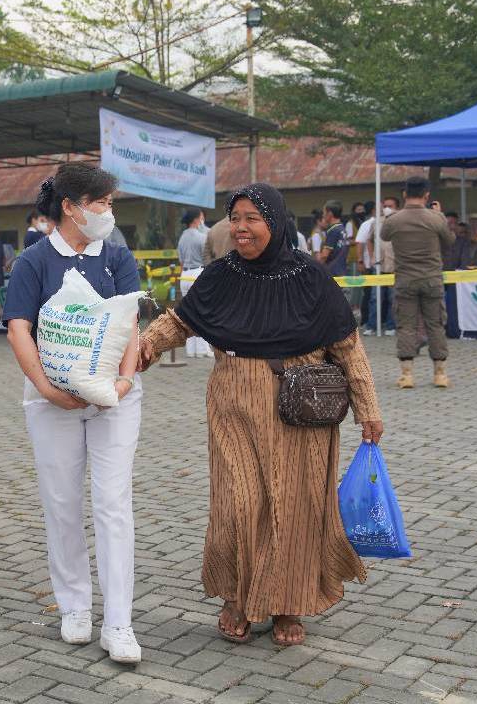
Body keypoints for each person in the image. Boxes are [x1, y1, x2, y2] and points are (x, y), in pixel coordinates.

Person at [139, 182, 383, 648]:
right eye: (236, 218)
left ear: (274, 221)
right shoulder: (221, 274)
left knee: (295, 507)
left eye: (252, 218)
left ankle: (289, 602)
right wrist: (149, 343)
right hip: (234, 404)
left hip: (300, 409)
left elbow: (348, 346)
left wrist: (368, 408)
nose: (241, 228)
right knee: (239, 502)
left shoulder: (309, 276)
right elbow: (182, 320)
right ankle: (236, 596)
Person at [3, 162, 144, 665]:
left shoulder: (118, 256)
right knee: (62, 504)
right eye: (102, 203)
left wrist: (123, 383)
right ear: (71, 206)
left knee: (112, 504)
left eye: (110, 204)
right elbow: (20, 328)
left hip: (116, 403)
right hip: (51, 403)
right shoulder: (34, 261)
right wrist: (46, 389)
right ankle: (75, 608)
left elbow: (129, 322)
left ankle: (120, 623)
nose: (108, 212)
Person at [380, 177, 454, 389]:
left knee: (406, 326)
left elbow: (384, 236)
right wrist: (439, 214)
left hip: (405, 280)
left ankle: (407, 375)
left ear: (405, 194)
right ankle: (440, 374)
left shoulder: (394, 219)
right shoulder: (435, 218)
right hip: (432, 279)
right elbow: (449, 241)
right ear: (427, 195)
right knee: (436, 324)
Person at [177, 209, 212, 359]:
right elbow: (207, 258)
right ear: (197, 220)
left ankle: (191, 350)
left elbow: (181, 260)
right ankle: (203, 349)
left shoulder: (182, 238)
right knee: (202, 312)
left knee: (188, 313)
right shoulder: (201, 237)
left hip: (184, 276)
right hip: (197, 273)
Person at [363, 196, 398, 335]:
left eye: (391, 205)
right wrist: (372, 256)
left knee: (393, 298)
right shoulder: (377, 222)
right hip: (378, 265)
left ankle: (391, 326)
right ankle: (371, 326)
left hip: (395, 265)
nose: (387, 208)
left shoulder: (400, 222)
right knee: (375, 298)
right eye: (385, 205)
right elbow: (369, 240)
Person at [316, 201, 350, 277]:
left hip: (331, 272)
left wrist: (316, 268)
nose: (323, 215)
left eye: (324, 212)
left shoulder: (333, 231)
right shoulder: (342, 229)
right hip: (342, 270)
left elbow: (325, 255)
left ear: (330, 214)